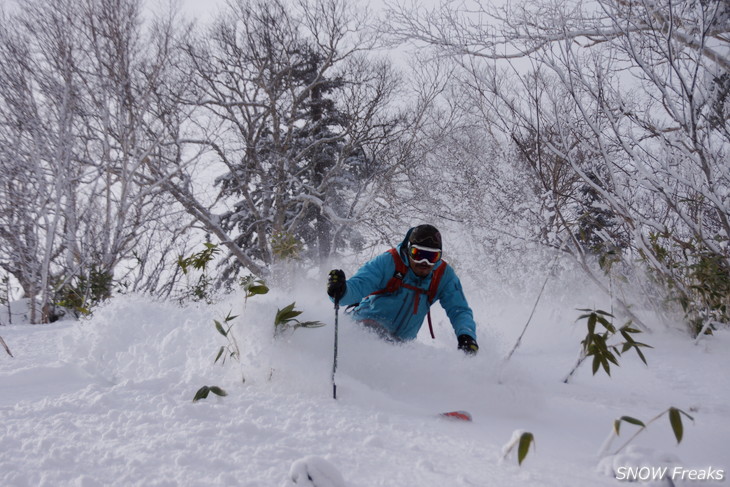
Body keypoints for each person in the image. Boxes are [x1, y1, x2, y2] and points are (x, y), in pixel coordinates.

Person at [326, 224, 479, 354]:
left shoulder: (443, 275)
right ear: (409, 249)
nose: (424, 262)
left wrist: (466, 335)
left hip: (400, 344)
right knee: (378, 336)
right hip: (366, 326)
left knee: (406, 360)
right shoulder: (389, 262)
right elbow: (358, 287)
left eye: (432, 257)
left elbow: (459, 309)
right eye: (417, 254)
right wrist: (340, 290)